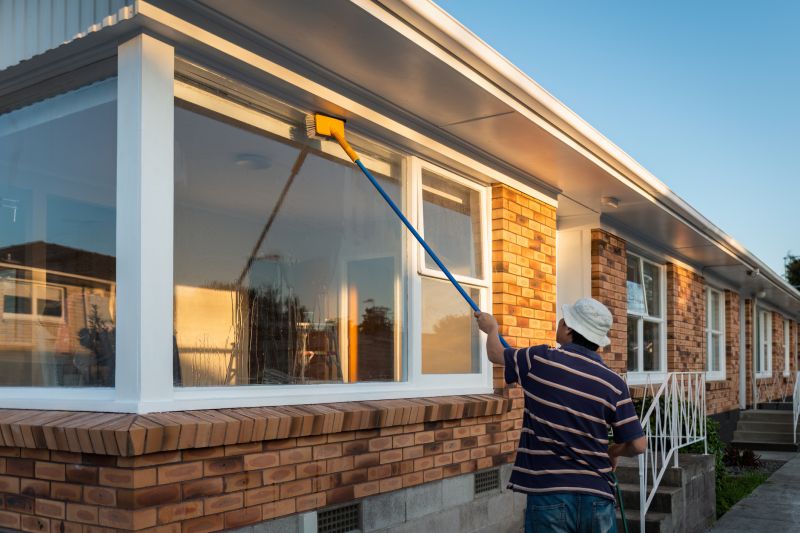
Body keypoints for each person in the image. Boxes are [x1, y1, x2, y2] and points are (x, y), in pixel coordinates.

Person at [475, 297, 646, 533]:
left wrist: (491, 328)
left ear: (568, 328)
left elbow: (496, 353)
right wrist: (613, 452)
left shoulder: (539, 360)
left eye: (563, 320)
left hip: (549, 496)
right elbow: (638, 444)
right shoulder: (614, 383)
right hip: (597, 497)